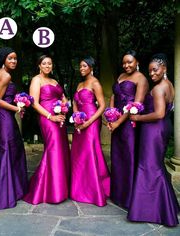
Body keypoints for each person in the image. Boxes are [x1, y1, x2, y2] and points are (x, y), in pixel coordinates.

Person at [127, 53, 179, 226]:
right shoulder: (169, 85)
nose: (152, 74)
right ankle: (166, 206)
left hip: (153, 131)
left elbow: (159, 113)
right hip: (164, 128)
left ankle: (151, 210)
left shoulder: (157, 89)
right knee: (156, 165)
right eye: (150, 71)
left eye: (155, 70)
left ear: (164, 68)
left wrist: (137, 118)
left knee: (149, 166)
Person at [23, 55, 70, 204]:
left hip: (59, 117)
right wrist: (51, 116)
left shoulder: (54, 81)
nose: (47, 66)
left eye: (50, 63)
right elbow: (34, 103)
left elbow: (63, 97)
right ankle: (51, 189)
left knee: (62, 148)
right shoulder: (36, 80)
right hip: (47, 118)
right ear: (39, 65)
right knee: (54, 148)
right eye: (44, 63)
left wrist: (64, 107)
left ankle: (61, 186)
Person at [0, 47, 28, 209]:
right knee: (8, 149)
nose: (13, 61)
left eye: (15, 58)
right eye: (10, 58)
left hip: (4, 116)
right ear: (3, 59)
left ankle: (0, 188)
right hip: (5, 117)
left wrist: (17, 102)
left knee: (6, 149)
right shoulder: (6, 76)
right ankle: (5, 193)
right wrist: (17, 108)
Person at [107, 50, 149, 209]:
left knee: (129, 156)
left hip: (129, 124)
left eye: (130, 62)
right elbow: (113, 96)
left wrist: (118, 122)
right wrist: (111, 116)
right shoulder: (120, 76)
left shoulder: (142, 79)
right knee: (117, 157)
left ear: (137, 61)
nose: (126, 65)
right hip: (116, 121)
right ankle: (118, 194)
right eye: (124, 62)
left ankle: (130, 197)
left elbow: (136, 105)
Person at [70, 57, 110, 206]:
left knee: (90, 150)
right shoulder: (80, 84)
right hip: (80, 120)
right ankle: (80, 186)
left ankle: (94, 189)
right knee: (79, 153)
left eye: (84, 66)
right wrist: (76, 117)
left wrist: (87, 122)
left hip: (92, 120)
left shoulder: (95, 83)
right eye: (80, 66)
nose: (81, 68)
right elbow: (74, 102)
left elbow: (102, 105)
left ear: (91, 67)